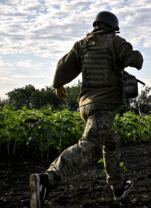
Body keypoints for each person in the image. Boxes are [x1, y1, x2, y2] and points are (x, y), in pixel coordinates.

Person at [29, 11, 143, 208]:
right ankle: (47, 179)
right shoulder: (115, 41)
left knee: (112, 141)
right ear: (113, 27)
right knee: (88, 146)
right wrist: (135, 54)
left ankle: (118, 187)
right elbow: (135, 61)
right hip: (104, 106)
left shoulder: (81, 44)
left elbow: (63, 65)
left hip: (85, 105)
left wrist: (58, 85)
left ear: (96, 25)